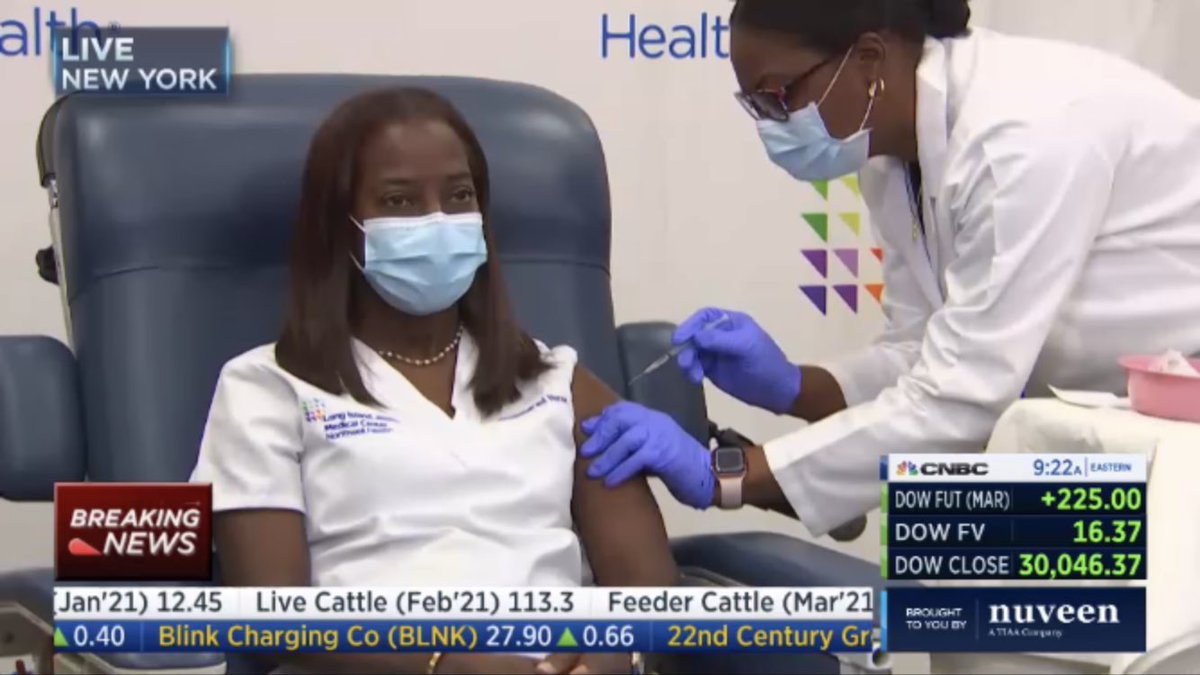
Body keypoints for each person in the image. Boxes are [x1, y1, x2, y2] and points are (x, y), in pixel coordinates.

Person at [581, 0, 1200, 537]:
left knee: (1014, 596)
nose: (771, 125)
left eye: (778, 97)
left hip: (1173, 429)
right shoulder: (892, 160)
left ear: (870, 59)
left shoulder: (1021, 138)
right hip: (1109, 426)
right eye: (755, 106)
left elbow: (961, 400)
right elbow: (925, 354)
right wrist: (794, 386)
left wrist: (728, 476)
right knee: (964, 584)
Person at [190, 87, 675, 675]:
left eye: (459, 196)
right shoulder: (266, 389)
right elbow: (273, 619)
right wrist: (444, 664)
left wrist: (599, 662)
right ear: (341, 227)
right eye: (399, 201)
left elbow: (647, 595)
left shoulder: (557, 381)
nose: (437, 220)